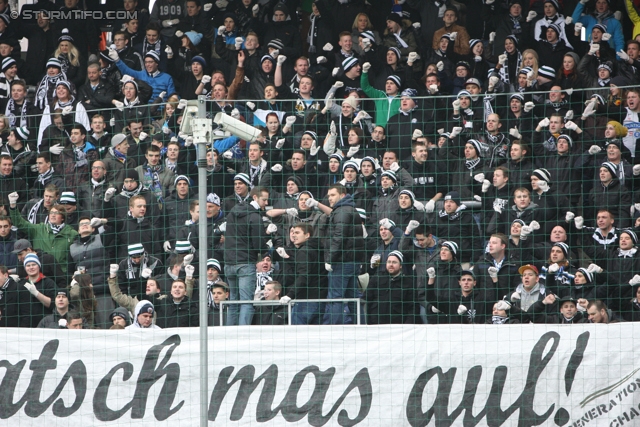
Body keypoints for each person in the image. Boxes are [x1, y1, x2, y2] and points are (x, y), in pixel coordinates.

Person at [224, 186, 271, 325]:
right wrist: (267, 247)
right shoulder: (255, 216)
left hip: (229, 263)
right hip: (245, 263)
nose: (266, 203)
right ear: (255, 197)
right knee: (246, 301)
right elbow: (258, 244)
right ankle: (242, 334)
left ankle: (229, 333)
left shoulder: (232, 212)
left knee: (233, 301)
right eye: (264, 200)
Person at [365, 250, 417, 325]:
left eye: (394, 262)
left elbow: (413, 307)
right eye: (389, 262)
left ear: (401, 265)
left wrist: (407, 326)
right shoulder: (377, 278)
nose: (391, 264)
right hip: (376, 324)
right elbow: (367, 299)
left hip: (398, 326)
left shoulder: (408, 283)